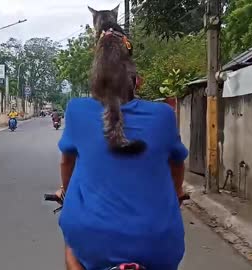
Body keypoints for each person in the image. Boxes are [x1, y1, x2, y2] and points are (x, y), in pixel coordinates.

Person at [56, 21, 188, 270]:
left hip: (93, 240)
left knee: (72, 241)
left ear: (96, 78)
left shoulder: (77, 110)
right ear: (136, 81)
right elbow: (176, 165)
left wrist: (64, 190)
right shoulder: (163, 114)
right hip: (159, 242)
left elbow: (67, 162)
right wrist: (177, 194)